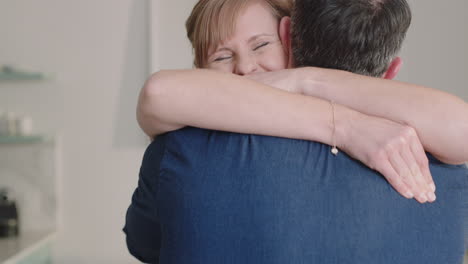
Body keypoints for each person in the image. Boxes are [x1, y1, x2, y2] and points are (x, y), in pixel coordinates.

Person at [124, 0, 468, 263]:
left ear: (288, 41)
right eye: (220, 57)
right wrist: (345, 124)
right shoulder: (440, 171)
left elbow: (145, 243)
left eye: (261, 45)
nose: (246, 69)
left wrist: (308, 80)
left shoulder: (178, 152)